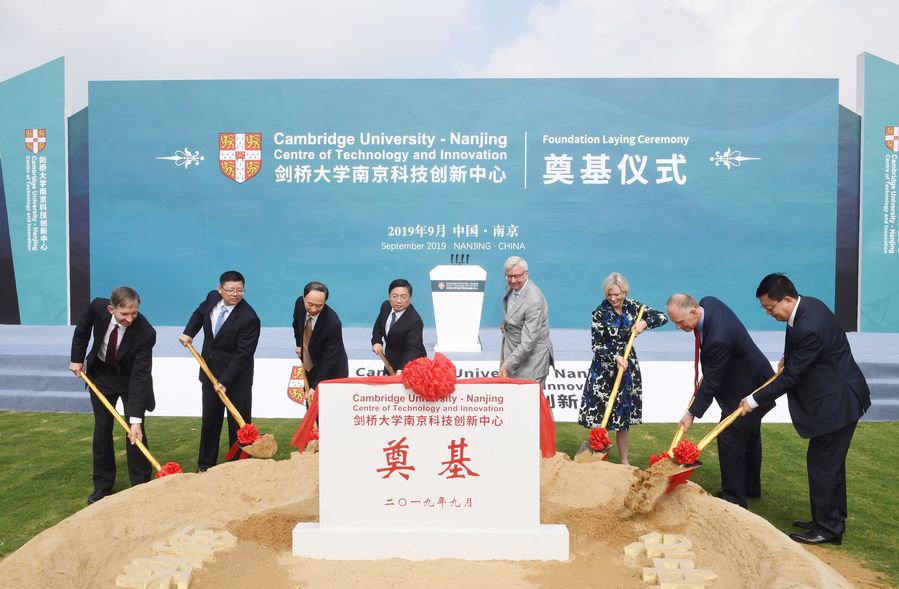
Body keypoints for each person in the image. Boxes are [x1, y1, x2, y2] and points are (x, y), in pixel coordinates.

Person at [741, 273, 871, 545]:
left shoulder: (809, 326)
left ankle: (828, 529)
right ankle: (830, 518)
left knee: (823, 465)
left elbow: (791, 377)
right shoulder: (809, 306)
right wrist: (790, 357)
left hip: (838, 402)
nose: (769, 313)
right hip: (837, 396)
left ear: (787, 300)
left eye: (770, 308)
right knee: (830, 465)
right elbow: (804, 352)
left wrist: (753, 400)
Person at [666, 293, 775, 507]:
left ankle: (734, 496)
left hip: (749, 388)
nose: (678, 327)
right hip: (752, 377)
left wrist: (691, 413)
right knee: (749, 433)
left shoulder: (718, 338)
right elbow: (713, 372)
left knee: (730, 437)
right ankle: (750, 487)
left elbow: (712, 382)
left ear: (694, 312)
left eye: (679, 322)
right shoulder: (709, 302)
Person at [69, 286, 156, 504]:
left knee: (135, 431)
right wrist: (77, 358)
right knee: (102, 429)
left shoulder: (146, 333)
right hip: (101, 376)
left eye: (134, 312)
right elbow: (82, 330)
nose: (130, 318)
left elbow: (140, 377)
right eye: (124, 313)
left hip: (130, 380)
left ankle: (141, 484)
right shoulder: (98, 307)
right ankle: (103, 486)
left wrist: (135, 420)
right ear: (111, 309)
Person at [578, 272, 667, 465]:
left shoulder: (634, 307)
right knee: (601, 415)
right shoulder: (599, 313)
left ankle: (624, 461)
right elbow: (596, 346)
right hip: (604, 371)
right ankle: (597, 458)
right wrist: (615, 357)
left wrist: (644, 323)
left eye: (617, 295)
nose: (613, 298)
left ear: (624, 292)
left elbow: (662, 317)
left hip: (627, 367)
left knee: (622, 419)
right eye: (609, 295)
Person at [179, 270, 260, 472]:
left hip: (236, 379)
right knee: (210, 422)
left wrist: (224, 380)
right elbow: (199, 314)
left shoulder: (249, 318)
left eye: (239, 290)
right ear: (220, 289)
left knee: (238, 425)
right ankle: (205, 465)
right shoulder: (212, 298)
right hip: (209, 373)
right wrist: (189, 332)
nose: (235, 294)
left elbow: (243, 354)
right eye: (230, 290)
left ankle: (239, 467)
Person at [500, 256, 554, 387]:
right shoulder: (512, 287)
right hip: (515, 355)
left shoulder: (534, 301)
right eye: (509, 276)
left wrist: (506, 366)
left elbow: (528, 342)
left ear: (526, 274)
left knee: (529, 401)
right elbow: (514, 310)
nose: (513, 280)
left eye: (516, 276)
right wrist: (507, 323)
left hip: (532, 365)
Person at [293, 281, 349, 390]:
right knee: (308, 399)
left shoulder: (332, 323)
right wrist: (299, 345)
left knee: (323, 399)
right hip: (309, 364)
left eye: (319, 306)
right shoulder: (299, 304)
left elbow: (329, 360)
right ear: (304, 298)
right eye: (310, 304)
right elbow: (296, 325)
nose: (313, 309)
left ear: (325, 302)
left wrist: (315, 387)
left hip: (331, 372)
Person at [371, 278, 426, 373]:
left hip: (410, 365)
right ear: (389, 296)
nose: (398, 301)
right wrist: (377, 341)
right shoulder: (386, 306)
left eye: (403, 297)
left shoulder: (415, 321)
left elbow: (412, 349)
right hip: (390, 361)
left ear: (410, 298)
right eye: (394, 296)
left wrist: (402, 370)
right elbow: (378, 326)